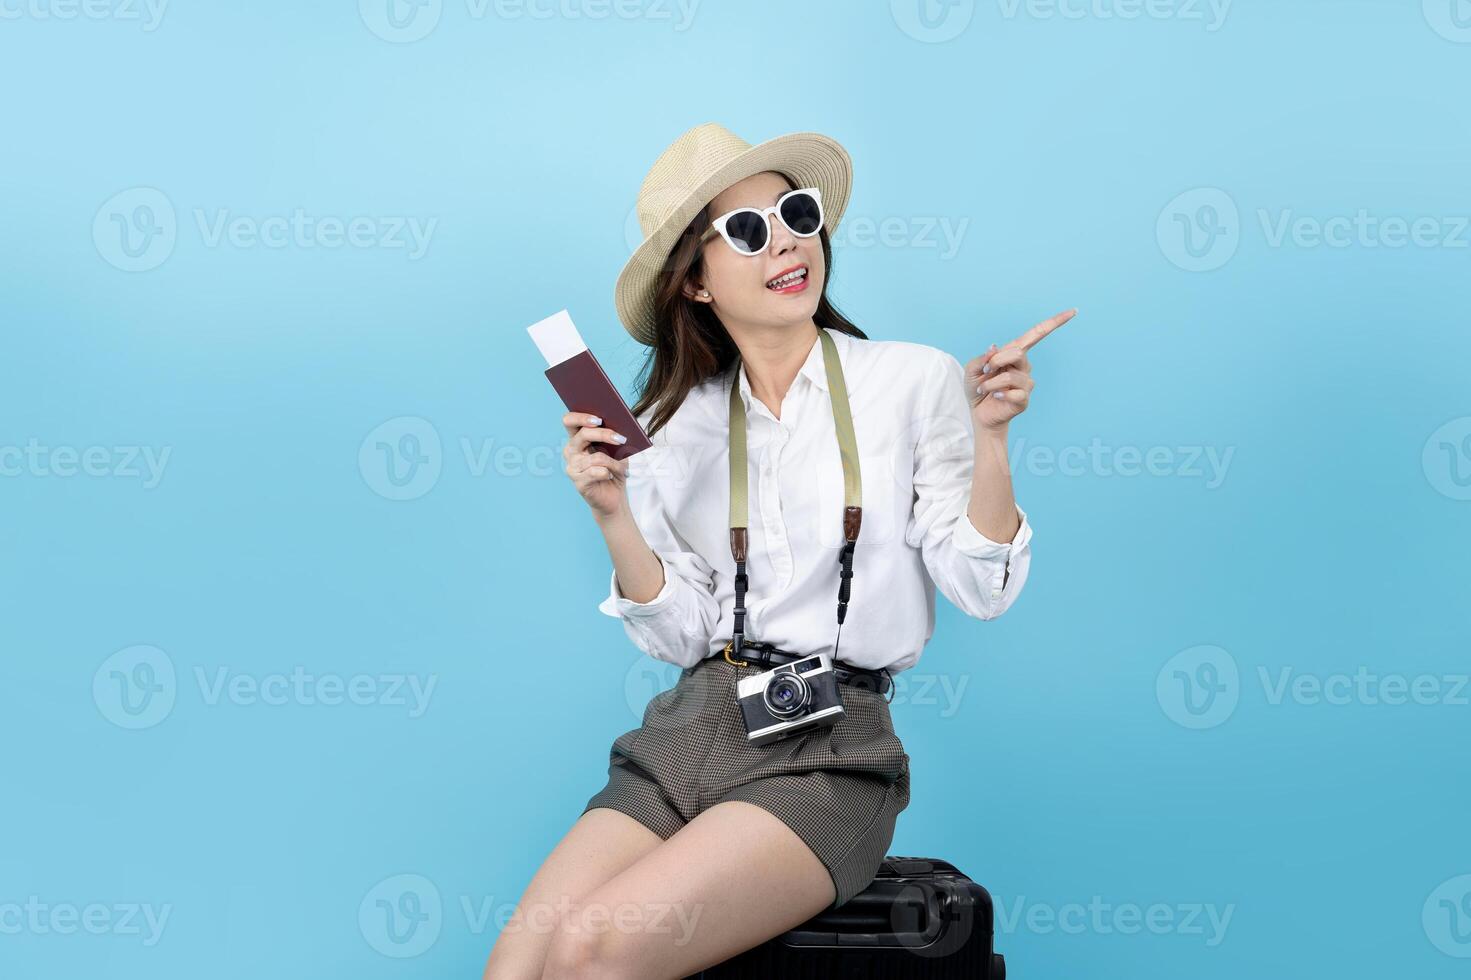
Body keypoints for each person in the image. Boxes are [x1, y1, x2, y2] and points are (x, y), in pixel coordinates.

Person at [485, 122, 1074, 980]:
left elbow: (981, 588)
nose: (788, 240)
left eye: (795, 214)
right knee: (517, 966)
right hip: (690, 727)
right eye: (749, 231)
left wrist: (991, 439)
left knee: (594, 951)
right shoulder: (670, 427)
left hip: (832, 742)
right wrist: (612, 512)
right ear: (693, 282)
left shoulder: (911, 381)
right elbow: (679, 631)